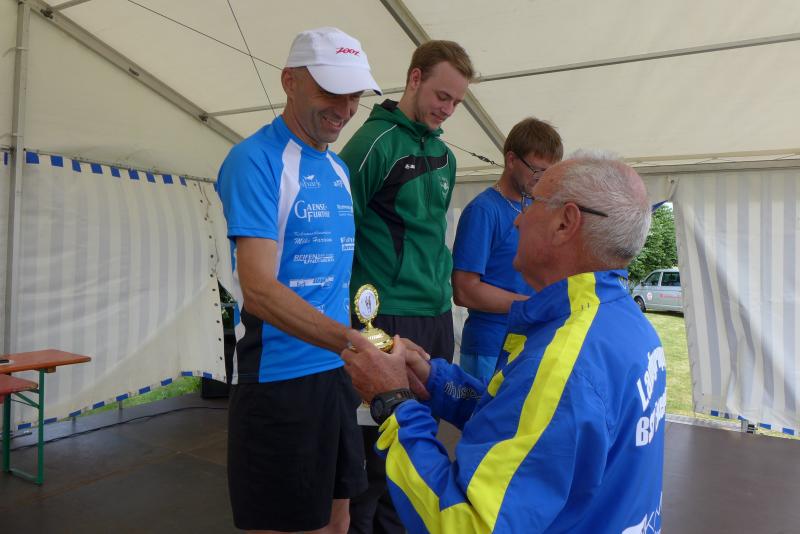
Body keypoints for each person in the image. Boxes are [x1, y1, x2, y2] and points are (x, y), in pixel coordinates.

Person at [342, 152, 666, 533]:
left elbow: (465, 524)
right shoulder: (628, 324)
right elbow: (529, 425)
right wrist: (435, 381)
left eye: (532, 202)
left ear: (565, 223)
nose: (517, 218)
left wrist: (394, 402)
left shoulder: (565, 362)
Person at [215, 27, 381, 534]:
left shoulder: (338, 169)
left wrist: (365, 344)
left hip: (336, 375)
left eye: (355, 95)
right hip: (280, 380)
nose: (345, 108)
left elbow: (334, 279)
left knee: (338, 520)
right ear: (290, 81)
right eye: (332, 90)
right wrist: (352, 342)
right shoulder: (256, 160)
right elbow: (259, 290)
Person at [338, 40, 474, 534]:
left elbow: (429, 234)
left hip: (436, 315)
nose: (448, 109)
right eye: (442, 95)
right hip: (385, 315)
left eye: (456, 102)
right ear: (414, 78)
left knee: (419, 445)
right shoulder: (372, 143)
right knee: (376, 453)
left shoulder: (444, 155)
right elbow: (340, 229)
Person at [452, 117, 563, 380]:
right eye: (536, 170)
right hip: (489, 347)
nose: (542, 179)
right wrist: (533, 305)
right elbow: (464, 291)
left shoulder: (536, 207)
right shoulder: (483, 210)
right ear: (511, 159)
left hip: (528, 342)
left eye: (549, 173)